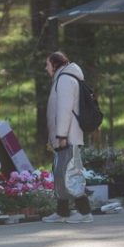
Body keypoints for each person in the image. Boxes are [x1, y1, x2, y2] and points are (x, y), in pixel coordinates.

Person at [41, 51, 94, 224]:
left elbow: (64, 110)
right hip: (62, 137)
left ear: (55, 64)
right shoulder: (62, 78)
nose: (46, 68)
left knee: (70, 173)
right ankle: (62, 212)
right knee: (60, 173)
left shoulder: (64, 80)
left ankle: (85, 212)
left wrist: (61, 135)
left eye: (47, 64)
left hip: (67, 137)